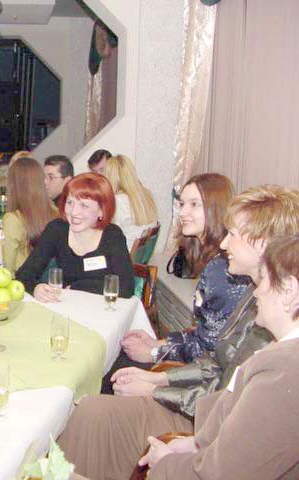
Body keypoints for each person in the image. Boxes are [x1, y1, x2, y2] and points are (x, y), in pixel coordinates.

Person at [57, 184, 299, 480]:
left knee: (92, 413)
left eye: (233, 234)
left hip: (200, 421)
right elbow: (217, 364)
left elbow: (226, 457)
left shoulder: (271, 333)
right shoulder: (254, 296)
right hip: (205, 418)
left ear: (262, 243)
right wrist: (159, 378)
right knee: (90, 411)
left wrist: (157, 385)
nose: (224, 243)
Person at [138, 235, 299, 479]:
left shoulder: (283, 371)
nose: (257, 293)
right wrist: (197, 444)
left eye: (264, 280)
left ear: (288, 291)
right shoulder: (282, 353)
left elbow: (222, 473)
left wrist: (166, 463)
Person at [118, 173, 249, 367]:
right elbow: (205, 333)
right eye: (182, 204)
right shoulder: (216, 260)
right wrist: (159, 343)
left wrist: (154, 353)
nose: (183, 212)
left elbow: (211, 350)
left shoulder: (222, 268)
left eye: (194, 204)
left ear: (216, 209)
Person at [16, 172, 134, 300]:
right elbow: (24, 275)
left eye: (84, 205)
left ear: (101, 210)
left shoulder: (112, 235)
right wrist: (35, 288)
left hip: (100, 308)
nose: (74, 212)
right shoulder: (57, 230)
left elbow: (126, 287)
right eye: (70, 203)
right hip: (67, 306)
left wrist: (77, 286)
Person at [2, 157, 58, 272]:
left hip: (21, 278)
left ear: (12, 185)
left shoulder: (13, 219)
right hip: (48, 278)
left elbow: (5, 267)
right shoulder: (55, 212)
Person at [102, 154, 158, 250]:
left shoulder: (118, 201)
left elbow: (108, 235)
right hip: (138, 254)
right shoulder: (146, 194)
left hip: (124, 254)